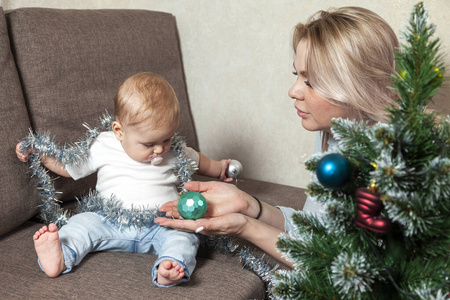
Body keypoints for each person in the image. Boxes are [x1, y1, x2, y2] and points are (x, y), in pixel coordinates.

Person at [155, 6, 399, 268]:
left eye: (311, 81)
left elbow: (344, 271)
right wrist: (248, 205)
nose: (293, 91)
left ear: (355, 85)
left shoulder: (392, 159)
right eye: (297, 75)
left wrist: (245, 226)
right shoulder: (336, 133)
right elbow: (317, 231)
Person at [16, 72, 234, 286]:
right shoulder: (104, 145)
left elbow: (201, 162)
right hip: (108, 221)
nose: (159, 149)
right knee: (81, 224)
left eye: (166, 139)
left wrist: (220, 168)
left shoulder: (175, 151)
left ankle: (168, 266)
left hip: (161, 224)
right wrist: (40, 154)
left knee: (185, 237)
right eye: (149, 144)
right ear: (119, 131)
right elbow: (69, 166)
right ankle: (60, 255)